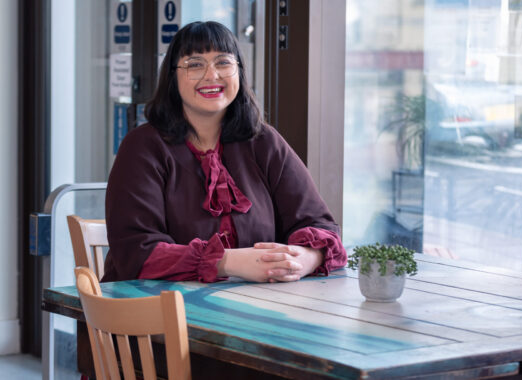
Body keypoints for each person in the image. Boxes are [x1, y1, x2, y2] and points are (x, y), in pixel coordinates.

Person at [102, 21, 347, 283]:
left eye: (223, 63)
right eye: (195, 64)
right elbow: (136, 252)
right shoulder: (141, 147)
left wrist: (304, 258)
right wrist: (229, 262)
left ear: (239, 72)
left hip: (252, 309)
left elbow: (320, 225)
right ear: (172, 77)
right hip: (155, 312)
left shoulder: (264, 141)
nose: (212, 75)